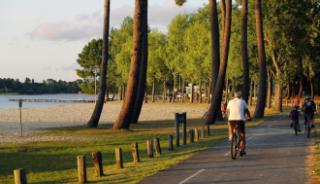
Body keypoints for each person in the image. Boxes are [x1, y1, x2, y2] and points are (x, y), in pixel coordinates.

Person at [227, 91, 251, 156]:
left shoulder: (230, 101)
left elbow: (228, 111)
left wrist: (229, 117)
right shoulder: (243, 101)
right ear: (240, 96)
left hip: (231, 119)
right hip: (240, 119)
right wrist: (249, 117)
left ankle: (231, 135)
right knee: (242, 135)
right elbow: (246, 111)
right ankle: (241, 149)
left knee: (229, 124)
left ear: (234, 96)